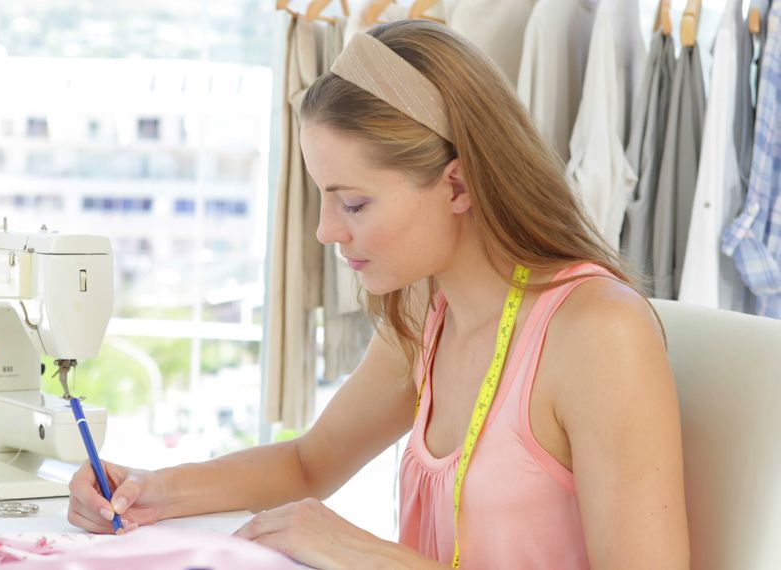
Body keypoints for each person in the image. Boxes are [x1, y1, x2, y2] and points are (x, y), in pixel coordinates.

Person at [67, 20, 690, 569]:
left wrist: (369, 555)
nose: (325, 230)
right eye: (323, 195)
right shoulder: (429, 311)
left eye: (354, 202)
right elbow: (310, 463)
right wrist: (148, 491)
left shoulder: (597, 335)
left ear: (458, 184)